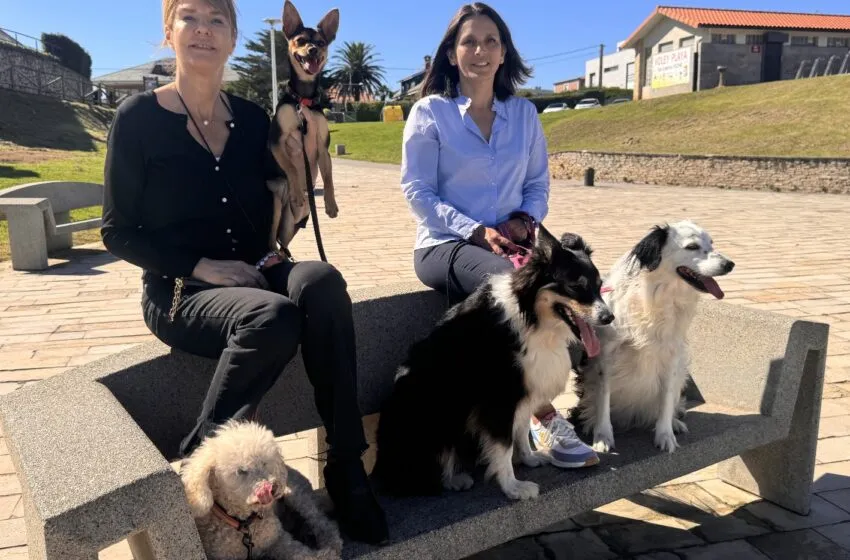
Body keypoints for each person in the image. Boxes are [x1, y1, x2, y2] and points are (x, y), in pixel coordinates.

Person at [100, 0, 387, 544]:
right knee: (274, 316)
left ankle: (348, 472)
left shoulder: (254, 119)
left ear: (233, 38)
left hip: (258, 266)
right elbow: (116, 231)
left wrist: (293, 217)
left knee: (322, 282)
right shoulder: (137, 120)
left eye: (217, 20)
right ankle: (195, 476)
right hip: (181, 289)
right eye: (190, 17)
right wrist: (202, 266)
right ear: (169, 31)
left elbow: (277, 196)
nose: (204, 30)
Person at [400, 2, 599, 469]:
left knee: (583, 286)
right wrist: (474, 230)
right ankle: (545, 421)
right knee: (509, 291)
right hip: (445, 245)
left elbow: (537, 185)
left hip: (516, 243)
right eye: (468, 41)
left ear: (504, 51)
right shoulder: (431, 113)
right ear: (451, 53)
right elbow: (417, 190)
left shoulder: (524, 115)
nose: (480, 51)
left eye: (491, 41)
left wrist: (524, 219)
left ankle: (585, 401)